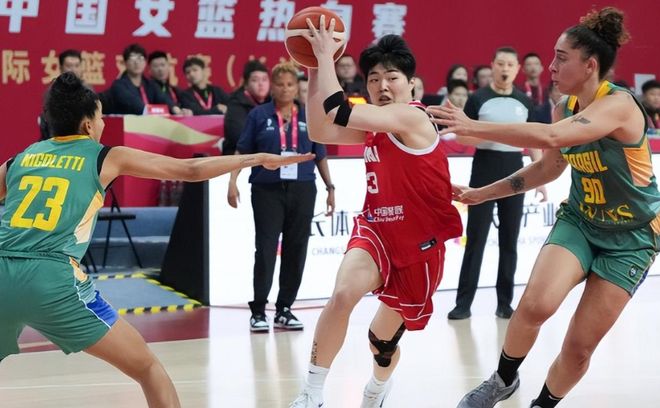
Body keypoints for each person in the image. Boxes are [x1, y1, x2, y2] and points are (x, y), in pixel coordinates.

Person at [0, 72, 313, 408]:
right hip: (53, 277)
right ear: (88, 125)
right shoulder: (105, 156)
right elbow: (190, 171)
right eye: (101, 118)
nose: (103, 124)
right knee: (148, 368)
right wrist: (257, 158)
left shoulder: (22, 158)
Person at [429, 7, 655, 408]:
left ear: (590, 66)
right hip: (581, 221)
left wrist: (472, 126)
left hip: (632, 238)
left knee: (578, 347)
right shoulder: (564, 107)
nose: (550, 66)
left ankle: (542, 404)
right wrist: (483, 193)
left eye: (561, 58)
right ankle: (503, 380)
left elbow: (550, 137)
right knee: (535, 304)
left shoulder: (619, 104)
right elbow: (548, 168)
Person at [289, 20, 462, 407]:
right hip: (376, 230)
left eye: (392, 78)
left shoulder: (412, 117)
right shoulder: (374, 124)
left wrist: (324, 56)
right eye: (374, 79)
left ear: (412, 84)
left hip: (419, 244)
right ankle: (311, 393)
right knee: (342, 295)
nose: (382, 86)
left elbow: (338, 110)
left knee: (380, 343)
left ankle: (378, 388)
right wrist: (315, 68)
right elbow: (319, 129)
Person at [227, 62, 335, 332]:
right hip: (267, 190)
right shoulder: (258, 115)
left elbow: (320, 155)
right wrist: (232, 181)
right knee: (265, 249)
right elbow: (242, 151)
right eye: (279, 84)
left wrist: (330, 188)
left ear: (297, 87)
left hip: (303, 188)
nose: (285, 89)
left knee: (296, 248)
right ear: (272, 87)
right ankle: (258, 310)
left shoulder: (309, 115)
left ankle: (284, 308)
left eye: (290, 84)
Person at [444, 46, 547, 321]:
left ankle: (505, 303)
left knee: (509, 240)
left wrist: (540, 179)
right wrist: (491, 134)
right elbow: (462, 136)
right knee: (476, 239)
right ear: (492, 65)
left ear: (517, 69)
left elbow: (533, 141)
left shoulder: (524, 101)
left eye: (510, 65)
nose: (505, 69)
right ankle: (463, 304)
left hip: (515, 171)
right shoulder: (478, 98)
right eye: (500, 63)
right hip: (484, 168)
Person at [222, 60, 270, 155]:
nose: (261, 84)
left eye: (264, 79)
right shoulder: (236, 103)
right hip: (239, 157)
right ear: (246, 84)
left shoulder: (272, 101)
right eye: (255, 80)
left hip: (267, 156)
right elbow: (239, 137)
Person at [107, 44, 171, 115]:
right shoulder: (118, 85)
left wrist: (174, 108)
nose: (136, 62)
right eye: (132, 59)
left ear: (145, 62)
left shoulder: (150, 84)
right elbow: (133, 102)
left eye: (140, 58)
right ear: (125, 63)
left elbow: (163, 99)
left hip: (151, 120)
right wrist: (148, 111)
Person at [147, 50, 190, 116]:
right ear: (149, 70)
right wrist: (174, 109)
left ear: (169, 66)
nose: (160, 69)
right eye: (156, 66)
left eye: (163, 65)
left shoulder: (175, 90)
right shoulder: (147, 87)